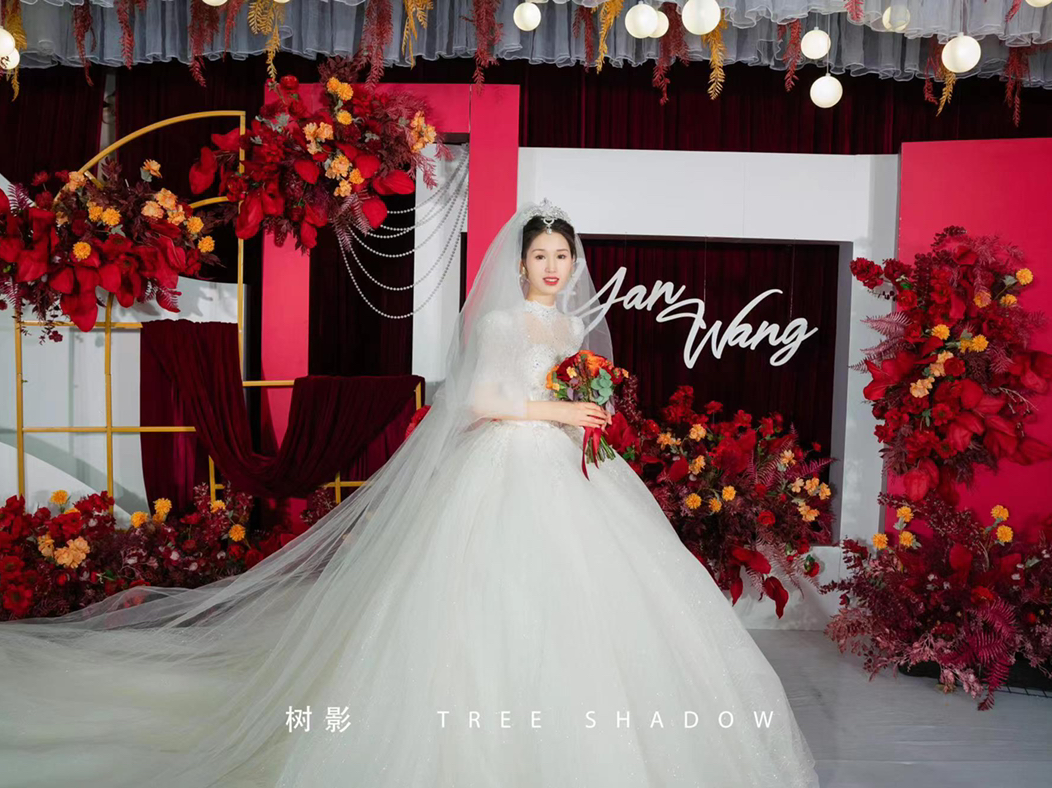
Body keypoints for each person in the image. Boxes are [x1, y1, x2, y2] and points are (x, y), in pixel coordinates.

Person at [0, 200, 821, 788]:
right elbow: (478, 401)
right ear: (520, 263)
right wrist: (560, 410)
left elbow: (567, 391)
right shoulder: (502, 324)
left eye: (562, 257)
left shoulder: (571, 327)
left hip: (570, 469)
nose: (552, 267)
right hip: (506, 465)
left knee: (595, 604)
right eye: (541, 256)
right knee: (482, 606)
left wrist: (588, 414)